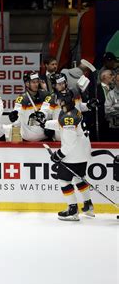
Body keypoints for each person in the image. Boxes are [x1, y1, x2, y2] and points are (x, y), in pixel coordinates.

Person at [44, 87, 94, 221]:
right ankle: (88, 205)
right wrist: (45, 123)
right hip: (82, 153)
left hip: (73, 156)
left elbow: (70, 142)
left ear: (63, 101)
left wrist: (59, 154)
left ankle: (72, 210)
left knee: (63, 180)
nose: (57, 101)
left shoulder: (68, 117)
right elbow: (62, 125)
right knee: (79, 178)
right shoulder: (72, 112)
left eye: (59, 99)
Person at [41, 73, 96, 141]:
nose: (62, 85)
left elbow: (79, 107)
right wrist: (41, 115)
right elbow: (44, 111)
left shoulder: (74, 92)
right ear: (54, 85)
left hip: (77, 133)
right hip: (61, 135)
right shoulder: (51, 98)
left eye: (63, 82)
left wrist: (88, 105)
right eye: (59, 84)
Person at [9, 71, 52, 141]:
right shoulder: (22, 98)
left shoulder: (45, 94)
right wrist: (14, 115)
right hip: (28, 140)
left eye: (37, 82)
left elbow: (51, 112)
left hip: (45, 138)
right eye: (33, 82)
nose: (36, 84)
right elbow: (17, 111)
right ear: (27, 84)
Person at [104, 72, 119, 141]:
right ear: (115, 81)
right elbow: (107, 110)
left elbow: (111, 109)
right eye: (118, 80)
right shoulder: (111, 94)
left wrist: (115, 107)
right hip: (114, 128)